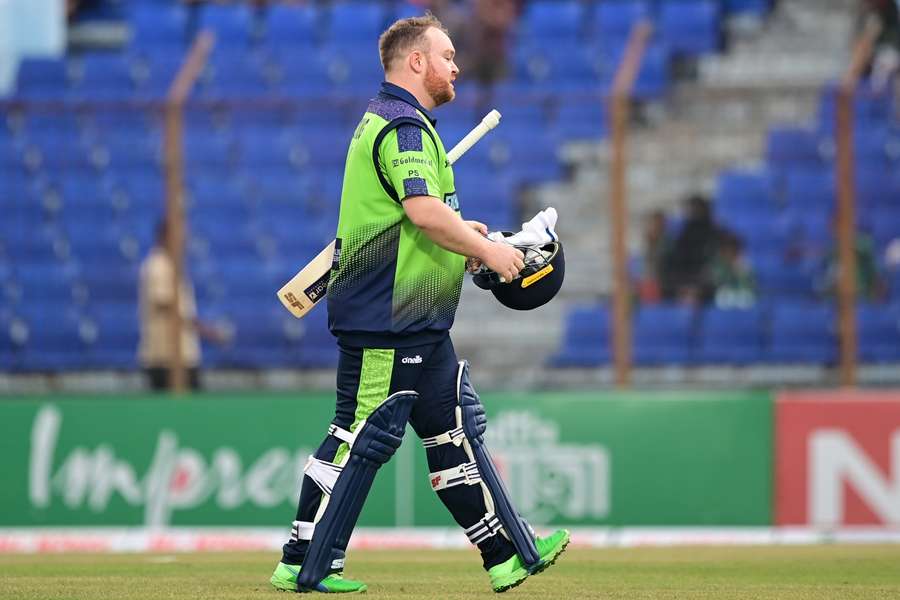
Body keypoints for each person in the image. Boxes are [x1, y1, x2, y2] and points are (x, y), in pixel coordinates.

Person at [269, 13, 569, 594]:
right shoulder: (402, 127)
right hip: (386, 317)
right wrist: (490, 250)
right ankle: (303, 561)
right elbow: (422, 215)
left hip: (418, 317)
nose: (456, 66)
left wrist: (470, 235)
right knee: (359, 435)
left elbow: (419, 222)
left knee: (454, 430)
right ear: (416, 62)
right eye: (447, 56)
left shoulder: (400, 124)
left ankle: (508, 555)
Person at [137, 217, 224, 391]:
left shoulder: (172, 264)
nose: (184, 239)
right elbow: (164, 305)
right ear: (165, 236)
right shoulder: (158, 265)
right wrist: (203, 329)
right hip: (166, 357)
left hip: (183, 354)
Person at [710, 231, 757, 309]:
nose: (729, 254)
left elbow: (751, 292)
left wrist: (741, 272)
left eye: (733, 251)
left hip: (743, 302)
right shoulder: (716, 268)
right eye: (726, 251)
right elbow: (715, 286)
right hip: (721, 303)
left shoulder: (745, 267)